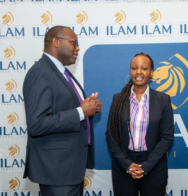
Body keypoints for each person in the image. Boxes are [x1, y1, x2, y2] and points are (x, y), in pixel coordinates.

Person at [23, 26, 102, 196]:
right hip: (57, 172)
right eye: (74, 43)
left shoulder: (62, 72)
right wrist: (81, 112)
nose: (78, 48)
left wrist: (89, 109)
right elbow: (37, 124)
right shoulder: (40, 72)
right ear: (56, 42)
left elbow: (66, 109)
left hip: (70, 169)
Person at [106, 53, 174, 196]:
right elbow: (111, 135)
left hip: (154, 166)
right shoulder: (117, 99)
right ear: (130, 71)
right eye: (134, 68)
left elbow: (167, 137)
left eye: (144, 68)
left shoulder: (163, 100)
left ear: (151, 73)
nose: (138, 72)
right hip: (123, 166)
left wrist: (146, 166)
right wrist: (128, 165)